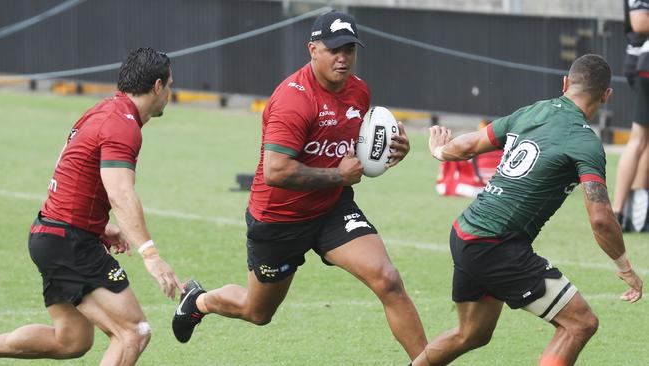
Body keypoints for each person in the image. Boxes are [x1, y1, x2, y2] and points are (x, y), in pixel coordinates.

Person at [172, 10, 427, 360]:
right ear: (313, 49)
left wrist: (392, 149)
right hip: (279, 219)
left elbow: (359, 146)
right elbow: (276, 171)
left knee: (388, 280)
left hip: (330, 209)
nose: (343, 58)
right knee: (257, 312)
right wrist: (338, 175)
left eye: (350, 49)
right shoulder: (294, 100)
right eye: (334, 49)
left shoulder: (359, 92)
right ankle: (199, 300)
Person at [414, 54, 643, 366]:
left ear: (565, 83)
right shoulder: (585, 141)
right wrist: (625, 268)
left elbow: (468, 145)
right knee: (580, 324)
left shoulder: (533, 110)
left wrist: (439, 149)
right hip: (496, 245)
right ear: (606, 95)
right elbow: (601, 220)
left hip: (465, 232)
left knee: (471, 334)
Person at [0, 47, 183, 365]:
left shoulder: (103, 110)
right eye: (169, 85)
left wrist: (98, 226)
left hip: (51, 234)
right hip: (69, 241)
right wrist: (151, 256)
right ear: (156, 86)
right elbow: (121, 194)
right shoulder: (122, 126)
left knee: (71, 340)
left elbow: (72, 171)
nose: (170, 93)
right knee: (134, 333)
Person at [613, 0, 649, 227]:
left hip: (643, 60)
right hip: (642, 62)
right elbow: (639, 21)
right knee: (638, 137)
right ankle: (617, 211)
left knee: (643, 138)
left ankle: (638, 211)